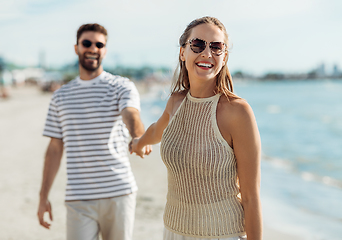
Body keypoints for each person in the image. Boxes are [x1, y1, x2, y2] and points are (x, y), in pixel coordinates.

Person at [131, 16, 262, 240]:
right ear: (183, 52)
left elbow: (250, 197)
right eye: (198, 44)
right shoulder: (175, 102)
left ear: (224, 56)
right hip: (173, 231)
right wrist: (139, 143)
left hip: (223, 233)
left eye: (216, 47)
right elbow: (157, 131)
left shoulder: (237, 112)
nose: (207, 54)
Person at [37, 23, 151, 240]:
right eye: (86, 43)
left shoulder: (121, 86)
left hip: (119, 192)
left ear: (105, 50)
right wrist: (43, 197)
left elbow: (131, 115)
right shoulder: (60, 97)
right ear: (76, 48)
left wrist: (138, 137)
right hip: (78, 198)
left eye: (99, 44)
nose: (93, 48)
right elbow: (54, 149)